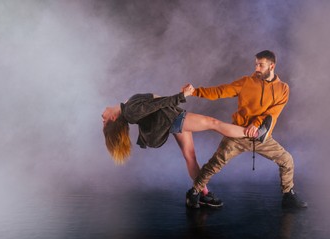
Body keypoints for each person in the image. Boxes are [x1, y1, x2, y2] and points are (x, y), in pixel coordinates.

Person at [102, 84, 272, 207]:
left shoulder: (128, 107)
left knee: (190, 157)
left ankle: (202, 194)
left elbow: (150, 105)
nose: (102, 117)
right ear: (113, 118)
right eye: (104, 120)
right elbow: (158, 104)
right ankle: (256, 134)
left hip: (171, 119)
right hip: (174, 119)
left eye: (102, 119)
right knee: (214, 123)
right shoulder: (130, 110)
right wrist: (182, 95)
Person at [185, 50, 307, 209]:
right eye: (256, 64)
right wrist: (195, 91)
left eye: (261, 65)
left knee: (287, 160)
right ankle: (194, 192)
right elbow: (221, 91)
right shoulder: (246, 82)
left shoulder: (283, 88)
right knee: (215, 164)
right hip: (237, 135)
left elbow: (273, 113)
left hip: (262, 138)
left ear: (272, 66)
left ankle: (288, 195)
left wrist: (256, 123)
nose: (257, 68)